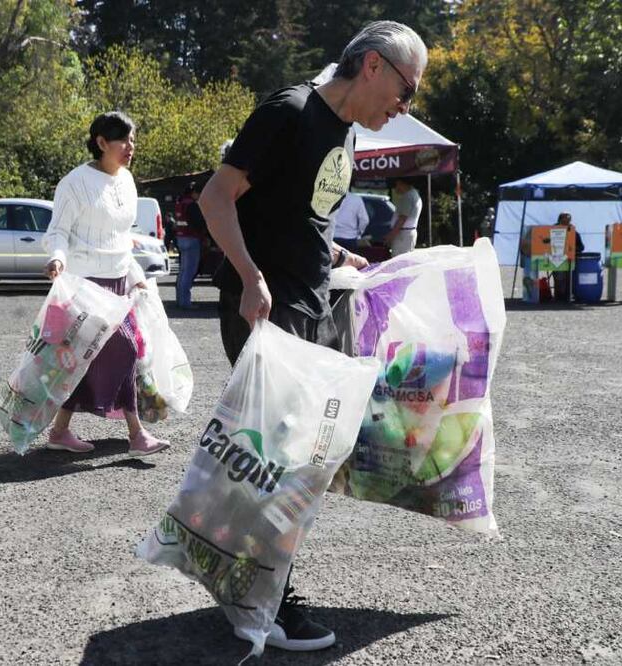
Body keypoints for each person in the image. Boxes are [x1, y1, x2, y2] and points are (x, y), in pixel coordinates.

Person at [200, 20, 426, 652]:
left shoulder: (343, 130)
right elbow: (217, 198)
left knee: (297, 457)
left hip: (309, 301)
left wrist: (344, 257)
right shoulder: (290, 110)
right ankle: (261, 598)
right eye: (405, 91)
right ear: (374, 66)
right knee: (280, 458)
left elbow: (300, 212)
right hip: (263, 308)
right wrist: (249, 278)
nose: (403, 109)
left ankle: (252, 581)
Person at [41, 112, 170, 457]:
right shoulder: (74, 182)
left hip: (118, 284)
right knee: (124, 349)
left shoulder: (127, 180)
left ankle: (59, 430)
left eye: (133, 140)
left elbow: (120, 237)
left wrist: (136, 277)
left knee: (84, 360)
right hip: (84, 287)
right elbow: (58, 231)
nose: (131, 147)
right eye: (124, 140)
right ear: (101, 143)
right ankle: (137, 434)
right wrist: (57, 258)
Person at [175, 182, 205, 308]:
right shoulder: (192, 205)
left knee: (183, 272)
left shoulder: (180, 203)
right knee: (189, 272)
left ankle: (180, 300)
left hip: (181, 238)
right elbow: (198, 223)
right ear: (194, 193)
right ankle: (185, 303)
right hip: (192, 239)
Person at [551, 212, 584, 302]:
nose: (566, 223)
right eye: (564, 221)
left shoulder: (573, 232)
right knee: (559, 276)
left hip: (569, 260)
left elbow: (581, 247)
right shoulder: (552, 230)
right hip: (556, 259)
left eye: (568, 221)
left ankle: (567, 295)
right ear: (559, 221)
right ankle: (559, 296)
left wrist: (572, 249)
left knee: (570, 277)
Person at [385, 177, 421, 255]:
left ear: (401, 184)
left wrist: (391, 235)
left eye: (397, 185)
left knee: (398, 261)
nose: (396, 188)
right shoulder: (414, 194)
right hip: (407, 233)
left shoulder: (408, 196)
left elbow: (402, 218)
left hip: (403, 235)